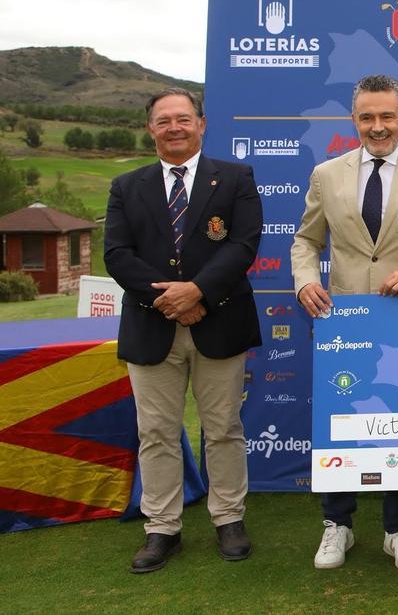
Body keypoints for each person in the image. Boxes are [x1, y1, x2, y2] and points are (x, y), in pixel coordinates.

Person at [291, 74, 398, 572]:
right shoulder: (328, 174)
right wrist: (305, 280)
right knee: (339, 424)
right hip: (340, 319)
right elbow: (306, 241)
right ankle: (337, 524)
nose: (378, 126)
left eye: (387, 116)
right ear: (354, 121)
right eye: (367, 117)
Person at [105, 88, 262, 573]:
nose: (175, 127)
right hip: (151, 327)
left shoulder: (235, 177)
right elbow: (117, 254)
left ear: (202, 123)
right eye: (163, 120)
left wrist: (196, 291)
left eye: (183, 118)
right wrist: (168, 299)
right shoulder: (126, 186)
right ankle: (162, 528)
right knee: (155, 432)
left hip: (220, 322)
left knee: (224, 430)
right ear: (150, 128)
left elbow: (243, 245)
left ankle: (228, 518)